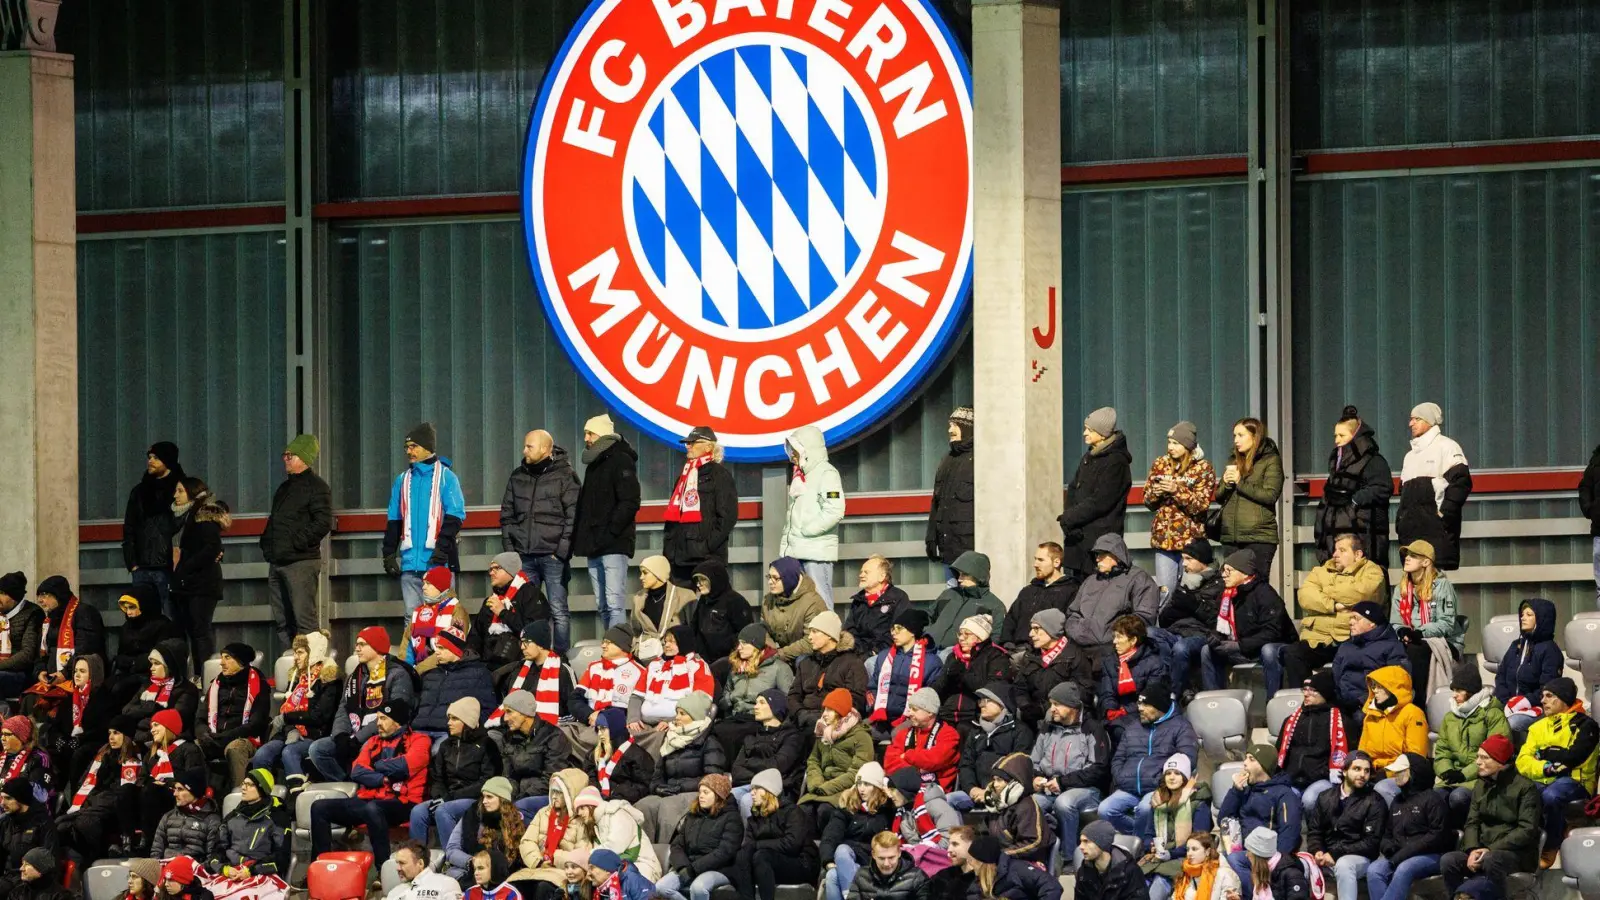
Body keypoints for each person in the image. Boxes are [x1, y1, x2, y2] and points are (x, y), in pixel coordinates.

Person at [310, 699, 432, 866]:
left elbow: (404, 766)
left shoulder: (420, 740)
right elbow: (357, 772)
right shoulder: (373, 742)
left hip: (403, 803)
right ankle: (318, 865)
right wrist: (383, 778)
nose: (378, 724)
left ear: (397, 722)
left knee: (373, 808)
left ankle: (382, 870)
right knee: (319, 807)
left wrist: (377, 766)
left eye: (383, 719)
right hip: (370, 799)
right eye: (378, 719)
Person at [499, 429, 580, 654]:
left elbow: (574, 516)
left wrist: (561, 552)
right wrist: (511, 553)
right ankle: (530, 656)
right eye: (525, 446)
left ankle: (560, 660)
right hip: (524, 556)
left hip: (553, 557)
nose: (524, 450)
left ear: (545, 449)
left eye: (529, 446)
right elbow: (506, 515)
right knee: (526, 610)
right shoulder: (517, 476)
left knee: (558, 610)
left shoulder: (566, 475)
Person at [309, 626, 416, 780]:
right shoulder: (355, 676)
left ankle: (362, 784)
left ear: (377, 647)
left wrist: (357, 739)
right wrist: (341, 735)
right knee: (317, 749)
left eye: (362, 644)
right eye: (356, 644)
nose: (357, 649)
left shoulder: (397, 675)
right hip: (353, 733)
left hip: (383, 734)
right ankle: (345, 784)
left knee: (367, 748)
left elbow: (394, 716)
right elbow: (343, 709)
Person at [1282, 532, 1386, 690]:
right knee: (1293, 653)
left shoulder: (1373, 571)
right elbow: (1305, 596)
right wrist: (1334, 605)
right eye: (1335, 550)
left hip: (1352, 638)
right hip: (1319, 638)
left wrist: (1325, 591)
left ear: (1358, 554)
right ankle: (1303, 703)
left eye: (1342, 550)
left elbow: (1360, 593)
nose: (1335, 554)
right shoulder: (1320, 571)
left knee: (1354, 658)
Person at [383, 423, 467, 616]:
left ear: (427, 447)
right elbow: (394, 520)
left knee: (442, 617)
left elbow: (456, 516)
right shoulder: (402, 480)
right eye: (407, 447)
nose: (408, 451)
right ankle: (414, 648)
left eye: (414, 446)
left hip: (438, 564)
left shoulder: (447, 477)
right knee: (412, 619)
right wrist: (388, 554)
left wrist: (441, 550)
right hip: (410, 564)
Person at [1440, 735, 1541, 893]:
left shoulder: (1525, 787)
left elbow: (1526, 830)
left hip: (1516, 854)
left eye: (1484, 757)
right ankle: (1459, 896)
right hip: (1483, 851)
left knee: (1491, 860)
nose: (1477, 762)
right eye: (1478, 757)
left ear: (1500, 761)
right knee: (1449, 860)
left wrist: (1491, 849)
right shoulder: (1480, 785)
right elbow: (1472, 822)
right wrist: (1472, 849)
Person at [1514, 677, 1598, 867]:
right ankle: (1525, 846)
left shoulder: (1585, 725)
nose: (1543, 700)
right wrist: (1545, 767)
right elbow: (1523, 761)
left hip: (1576, 780)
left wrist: (1544, 753)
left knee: (1552, 795)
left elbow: (1575, 756)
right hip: (1544, 777)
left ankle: (1551, 845)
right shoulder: (1537, 727)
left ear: (1564, 698)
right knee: (1520, 794)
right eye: (1543, 696)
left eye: (1549, 696)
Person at [260, 434, 332, 648]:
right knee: (283, 622)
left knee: (305, 623)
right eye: (285, 455)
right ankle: (291, 667)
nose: (285, 459)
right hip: (278, 561)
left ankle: (310, 673)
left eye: (290, 455)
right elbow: (276, 520)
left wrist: (297, 543)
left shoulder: (317, 487)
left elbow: (323, 522)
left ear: (304, 457)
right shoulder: (284, 488)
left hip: (300, 562)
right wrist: (267, 544)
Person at [1101, 679, 1198, 838]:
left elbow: (1187, 759)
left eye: (1145, 705)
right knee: (1105, 809)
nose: (1140, 709)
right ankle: (1139, 837)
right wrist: (1120, 777)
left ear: (1159, 707)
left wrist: (1164, 785)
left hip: (1157, 787)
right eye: (1139, 704)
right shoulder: (1133, 727)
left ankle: (1140, 847)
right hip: (1129, 786)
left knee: (1144, 809)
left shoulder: (1181, 727)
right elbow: (1118, 758)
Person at [1030, 682, 1110, 873]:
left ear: (1072, 707)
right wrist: (1037, 778)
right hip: (1049, 788)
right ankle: (1037, 856)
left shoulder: (1092, 728)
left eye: (1057, 704)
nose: (1052, 709)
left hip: (1085, 789)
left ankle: (1068, 858)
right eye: (1051, 704)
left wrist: (1063, 782)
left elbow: (1098, 769)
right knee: (1031, 803)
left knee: (1064, 803)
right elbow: (1033, 761)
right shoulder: (1047, 727)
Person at [572, 414, 642, 630]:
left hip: (612, 543)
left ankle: (618, 649)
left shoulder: (620, 459)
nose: (586, 438)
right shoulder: (595, 463)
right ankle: (611, 647)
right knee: (603, 604)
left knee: (613, 603)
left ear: (602, 434)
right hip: (596, 544)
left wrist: (611, 532)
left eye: (590, 433)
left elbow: (630, 501)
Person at [634, 692, 726, 843]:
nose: (676, 717)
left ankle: (663, 853)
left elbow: (712, 780)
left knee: (668, 807)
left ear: (695, 716)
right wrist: (658, 789)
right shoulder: (670, 740)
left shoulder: (710, 742)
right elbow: (656, 778)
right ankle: (642, 852)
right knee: (645, 805)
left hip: (694, 794)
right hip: (669, 794)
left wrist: (679, 788)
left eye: (682, 713)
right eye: (677, 713)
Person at [1199, 551, 1295, 696]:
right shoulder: (1226, 594)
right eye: (1223, 570)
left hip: (1273, 647)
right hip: (1243, 648)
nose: (1223, 575)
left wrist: (1239, 645)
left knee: (1268, 651)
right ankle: (1214, 700)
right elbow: (1217, 622)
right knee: (1207, 650)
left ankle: (1273, 700)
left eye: (1228, 571)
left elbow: (1273, 632)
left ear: (1244, 573)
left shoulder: (1265, 593)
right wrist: (1215, 635)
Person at [252, 637, 339, 794]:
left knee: (289, 752)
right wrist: (291, 728)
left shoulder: (330, 681)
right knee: (262, 754)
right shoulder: (297, 679)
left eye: (300, 652)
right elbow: (285, 712)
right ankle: (263, 799)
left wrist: (289, 720)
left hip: (315, 735)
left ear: (313, 654)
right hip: (289, 733)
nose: (295, 657)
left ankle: (297, 800)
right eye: (294, 653)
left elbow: (319, 717)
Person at [411, 696, 499, 846]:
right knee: (418, 812)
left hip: (476, 799)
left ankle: (452, 859)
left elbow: (486, 782)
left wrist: (449, 798)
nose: (448, 723)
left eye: (454, 719)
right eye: (449, 718)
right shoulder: (445, 746)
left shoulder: (487, 745)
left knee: (443, 810)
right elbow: (437, 778)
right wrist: (439, 796)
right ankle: (416, 858)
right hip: (448, 798)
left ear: (467, 722)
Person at [1064, 534, 1161, 673]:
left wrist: (1113, 635)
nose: (1097, 559)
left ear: (1117, 555)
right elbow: (1072, 613)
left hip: (1113, 647)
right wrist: (1078, 633)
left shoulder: (1139, 579)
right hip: (1080, 646)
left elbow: (1144, 617)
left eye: (1102, 554)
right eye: (1096, 555)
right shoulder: (1090, 580)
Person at [1144, 421, 1219, 597]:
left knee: (1190, 591)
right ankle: (1164, 625)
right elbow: (1148, 501)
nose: (1171, 447)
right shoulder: (1160, 464)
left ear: (1188, 445)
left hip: (1190, 541)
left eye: (1176, 443)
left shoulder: (1203, 468)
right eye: (1169, 442)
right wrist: (1156, 493)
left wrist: (1176, 489)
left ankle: (1188, 625)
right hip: (1165, 541)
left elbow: (1201, 505)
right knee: (1165, 593)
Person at [1058, 406, 1133, 577]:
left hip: (1099, 541)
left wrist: (1071, 517)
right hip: (1078, 538)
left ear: (1103, 433)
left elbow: (1101, 501)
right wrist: (1070, 519)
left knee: (1096, 588)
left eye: (1090, 430)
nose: (1085, 433)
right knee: (1076, 590)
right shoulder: (1089, 456)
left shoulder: (1116, 462)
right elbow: (1073, 488)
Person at [1397, 402, 1473, 571]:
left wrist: (1444, 514)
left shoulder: (1447, 447)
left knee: (1436, 589)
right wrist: (1400, 521)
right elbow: (1404, 493)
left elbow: (1461, 483)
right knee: (1413, 589)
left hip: (1437, 535)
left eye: (1416, 419)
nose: (1411, 424)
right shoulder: (1409, 456)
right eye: (1411, 419)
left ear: (1429, 421)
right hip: (1411, 537)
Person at [1367, 753, 1453, 900]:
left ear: (1414, 773)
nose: (1395, 775)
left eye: (1400, 772)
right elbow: (1388, 832)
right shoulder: (1397, 801)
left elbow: (1437, 836)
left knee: (1404, 868)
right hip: (1401, 855)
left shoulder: (1432, 799)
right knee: (1374, 870)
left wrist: (1404, 853)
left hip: (1431, 856)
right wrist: (1387, 846)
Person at [58, 715, 144, 862]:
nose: (111, 737)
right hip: (96, 801)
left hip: (114, 803)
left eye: (116, 733)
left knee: (83, 822)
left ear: (127, 735)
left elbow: (128, 790)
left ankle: (93, 857)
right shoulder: (103, 753)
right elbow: (83, 782)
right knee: (61, 825)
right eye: (110, 733)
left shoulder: (135, 756)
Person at [1314, 407, 1393, 566]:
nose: (1336, 440)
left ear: (1356, 436)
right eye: (1335, 435)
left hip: (1361, 539)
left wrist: (1354, 502)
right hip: (1337, 539)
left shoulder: (1373, 460)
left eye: (1342, 435)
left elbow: (1383, 488)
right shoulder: (1338, 464)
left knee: (1363, 584)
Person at [778, 424, 846, 607]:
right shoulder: (801, 476)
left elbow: (835, 510)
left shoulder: (827, 473)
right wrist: (786, 548)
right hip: (797, 553)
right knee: (799, 605)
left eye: (795, 449)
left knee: (820, 603)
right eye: (790, 450)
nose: (792, 455)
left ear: (807, 449)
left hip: (816, 554)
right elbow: (793, 517)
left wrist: (806, 531)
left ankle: (828, 636)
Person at [1304, 752, 1386, 900]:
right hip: (1327, 855)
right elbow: (1315, 831)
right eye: (1357, 769)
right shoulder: (1325, 797)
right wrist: (1317, 851)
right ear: (1345, 770)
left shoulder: (1375, 801)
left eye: (1366, 771)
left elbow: (1371, 843)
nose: (1362, 774)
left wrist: (1335, 853)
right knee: (1300, 863)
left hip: (1359, 858)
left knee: (1344, 864)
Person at [1218, 745, 1302, 890]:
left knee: (1233, 859)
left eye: (1251, 759)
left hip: (1269, 856)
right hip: (1247, 853)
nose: (1244, 763)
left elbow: (1289, 833)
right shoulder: (1244, 791)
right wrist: (1235, 791)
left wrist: (1275, 862)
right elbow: (1224, 821)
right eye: (1245, 758)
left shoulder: (1284, 793)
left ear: (1264, 766)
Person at [662, 426, 738, 583]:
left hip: (707, 559)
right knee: (680, 606)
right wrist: (669, 548)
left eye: (692, 442)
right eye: (687, 443)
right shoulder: (683, 477)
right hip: (679, 560)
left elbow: (727, 517)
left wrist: (706, 546)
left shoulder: (720, 475)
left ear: (709, 446)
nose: (688, 446)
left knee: (708, 604)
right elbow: (673, 519)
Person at [169, 476, 231, 666]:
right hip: (188, 583)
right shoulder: (186, 515)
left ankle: (204, 674)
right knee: (190, 630)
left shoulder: (202, 513)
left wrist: (186, 566)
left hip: (201, 584)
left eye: (180, 491)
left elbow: (212, 546)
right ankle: (196, 673)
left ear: (192, 492)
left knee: (200, 631)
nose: (175, 495)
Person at [1392, 539, 1466, 698]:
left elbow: (1446, 624)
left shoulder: (1443, 586)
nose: (1407, 558)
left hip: (1444, 640)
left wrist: (1419, 632)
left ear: (1426, 562)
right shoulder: (1401, 588)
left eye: (1413, 555)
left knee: (1416, 650)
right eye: (1406, 555)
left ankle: (1418, 702)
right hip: (1411, 639)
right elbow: (1395, 622)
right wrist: (1402, 630)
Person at [1436, 661, 1510, 817]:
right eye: (1453, 690)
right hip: (1453, 776)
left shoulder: (1493, 714)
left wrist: (1464, 774)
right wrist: (1446, 771)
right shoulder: (1450, 717)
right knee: (1434, 799)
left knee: (1458, 798)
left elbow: (1494, 756)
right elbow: (1442, 751)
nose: (1454, 695)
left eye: (1459, 690)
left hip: (1483, 777)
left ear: (1470, 691)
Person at [731, 769, 818, 900]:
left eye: (757, 789)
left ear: (769, 791)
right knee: (742, 856)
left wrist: (758, 845)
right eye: (751, 789)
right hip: (766, 865)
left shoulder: (792, 812)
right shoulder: (754, 817)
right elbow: (748, 845)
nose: (752, 793)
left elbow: (791, 845)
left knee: (761, 856)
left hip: (801, 863)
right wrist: (753, 848)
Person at [193, 641, 268, 790]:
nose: (221, 663)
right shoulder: (215, 684)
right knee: (191, 748)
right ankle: (200, 796)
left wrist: (226, 736)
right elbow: (200, 718)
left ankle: (239, 795)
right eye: (222, 657)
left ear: (240, 661)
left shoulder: (259, 684)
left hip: (243, 739)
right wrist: (204, 734)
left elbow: (256, 724)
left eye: (227, 658)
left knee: (234, 749)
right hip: (214, 737)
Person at [487, 621, 588, 730]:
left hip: (551, 733)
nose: (522, 647)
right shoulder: (518, 669)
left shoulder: (563, 671)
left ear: (541, 644)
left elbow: (573, 714)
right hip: (515, 731)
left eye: (526, 642)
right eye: (521, 642)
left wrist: (538, 721)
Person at [657, 774, 743, 900]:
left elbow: (725, 852)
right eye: (700, 792)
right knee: (661, 887)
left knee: (698, 887)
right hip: (690, 865)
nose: (701, 796)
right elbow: (677, 845)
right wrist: (682, 866)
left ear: (718, 795)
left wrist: (693, 869)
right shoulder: (692, 816)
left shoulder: (731, 817)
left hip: (721, 869)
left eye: (706, 792)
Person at [712, 624, 794, 755]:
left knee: (740, 735)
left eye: (744, 643)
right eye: (739, 643)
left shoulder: (778, 668)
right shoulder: (736, 668)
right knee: (716, 732)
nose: (739, 648)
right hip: (736, 717)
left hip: (759, 720)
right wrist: (732, 697)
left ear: (756, 645)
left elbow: (788, 700)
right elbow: (723, 701)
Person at [1215, 418, 1283, 575]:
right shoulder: (1234, 460)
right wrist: (1226, 483)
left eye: (1240, 435)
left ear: (1255, 436)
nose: (1236, 440)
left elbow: (1270, 495)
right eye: (1234, 436)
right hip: (1231, 537)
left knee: (1256, 586)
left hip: (1258, 537)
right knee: (1232, 588)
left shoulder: (1270, 460)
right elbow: (1218, 497)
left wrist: (1240, 482)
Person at [124, 442, 185, 615]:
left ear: (168, 460)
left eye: (156, 458)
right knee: (143, 617)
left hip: (169, 567)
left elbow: (193, 522)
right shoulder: (139, 492)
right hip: (142, 567)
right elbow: (129, 528)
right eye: (149, 457)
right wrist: (132, 563)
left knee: (171, 616)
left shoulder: (182, 489)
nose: (150, 461)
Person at [1156, 540, 1223, 699]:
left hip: (1201, 634)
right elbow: (1164, 619)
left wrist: (1194, 605)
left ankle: (1174, 694)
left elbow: (1216, 620)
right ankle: (1176, 685)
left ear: (1202, 560)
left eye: (1189, 559)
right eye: (1183, 559)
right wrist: (1174, 609)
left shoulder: (1219, 582)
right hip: (1176, 630)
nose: (1184, 564)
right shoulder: (1183, 580)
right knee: (1150, 634)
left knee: (1181, 648)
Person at [820, 763, 896, 900]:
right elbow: (830, 836)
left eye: (867, 784)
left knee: (841, 856)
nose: (862, 789)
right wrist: (828, 862)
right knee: (833, 872)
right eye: (859, 783)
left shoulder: (888, 809)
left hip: (874, 861)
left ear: (878, 787)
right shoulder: (847, 807)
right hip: (848, 860)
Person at [511, 768, 592, 892]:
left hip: (563, 872)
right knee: (515, 886)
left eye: (559, 793)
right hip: (537, 867)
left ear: (570, 795)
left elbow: (582, 855)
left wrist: (555, 858)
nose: (554, 797)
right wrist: (538, 862)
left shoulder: (580, 820)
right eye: (553, 792)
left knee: (543, 888)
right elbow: (527, 841)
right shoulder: (543, 813)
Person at [951, 687, 1033, 809]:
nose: (981, 705)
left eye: (987, 700)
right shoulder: (975, 731)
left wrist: (990, 792)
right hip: (976, 793)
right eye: (980, 701)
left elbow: (1017, 768)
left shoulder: (1020, 731)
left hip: (1006, 794)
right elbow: (966, 765)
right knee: (949, 800)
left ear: (1002, 704)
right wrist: (972, 789)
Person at [1277, 671, 1351, 807]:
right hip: (1292, 779)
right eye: (1304, 690)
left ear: (1325, 693)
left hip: (1323, 779)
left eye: (1312, 690)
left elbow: (1350, 756)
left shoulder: (1341, 721)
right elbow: (1279, 752)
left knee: (1309, 800)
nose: (1306, 694)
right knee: (1283, 799)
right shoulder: (1291, 720)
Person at [1141, 755, 1212, 895]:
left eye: (1177, 773)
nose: (1171, 777)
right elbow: (1148, 834)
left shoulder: (1198, 803)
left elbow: (1199, 842)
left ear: (1185, 777)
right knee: (1136, 880)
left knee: (1160, 880)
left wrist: (1170, 854)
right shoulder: (1157, 802)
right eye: (1168, 773)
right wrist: (1152, 846)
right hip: (1158, 858)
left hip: (1185, 857)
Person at [1357, 666, 1429, 805]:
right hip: (1373, 773)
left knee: (1381, 788)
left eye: (1379, 686)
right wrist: (1362, 771)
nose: (1375, 690)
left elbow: (1415, 758)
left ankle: (1394, 824)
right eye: (1373, 686)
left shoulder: (1412, 713)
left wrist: (1386, 773)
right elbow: (1362, 752)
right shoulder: (1371, 715)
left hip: (1402, 775)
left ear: (1393, 688)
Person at [965, 753, 1053, 865]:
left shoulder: (1026, 806)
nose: (995, 785)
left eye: (1000, 780)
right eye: (994, 779)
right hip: (1001, 860)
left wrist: (1002, 855)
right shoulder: (995, 805)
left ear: (1013, 782)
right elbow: (985, 832)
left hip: (1026, 861)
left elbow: (1033, 842)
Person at [136, 708, 204, 855]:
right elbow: (141, 778)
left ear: (169, 726)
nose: (152, 730)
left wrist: (167, 783)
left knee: (152, 790)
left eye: (156, 725)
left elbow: (193, 780)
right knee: (127, 791)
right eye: (151, 726)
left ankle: (149, 842)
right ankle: (127, 841)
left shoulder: (189, 749)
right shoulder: (152, 754)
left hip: (175, 796)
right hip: (151, 796)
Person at [629, 625, 715, 741]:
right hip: (644, 723)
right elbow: (637, 696)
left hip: (676, 723)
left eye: (672, 642)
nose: (666, 645)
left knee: (658, 737)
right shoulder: (654, 664)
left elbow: (702, 701)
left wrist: (672, 721)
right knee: (623, 733)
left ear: (684, 642)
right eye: (665, 642)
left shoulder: (697, 665)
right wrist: (633, 718)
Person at [1493, 599, 1563, 739]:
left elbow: (1548, 689)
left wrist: (1525, 701)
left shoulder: (1550, 650)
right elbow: (1501, 676)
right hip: (1509, 704)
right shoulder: (1516, 645)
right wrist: (1507, 702)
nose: (1522, 618)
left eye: (1529, 614)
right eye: (1522, 614)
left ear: (1542, 618)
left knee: (1513, 722)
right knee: (1484, 715)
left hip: (1537, 706)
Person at [929, 614, 1012, 732]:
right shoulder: (953, 656)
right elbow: (939, 686)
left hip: (975, 717)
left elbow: (992, 691)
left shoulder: (996, 656)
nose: (961, 638)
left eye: (967, 634)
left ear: (980, 637)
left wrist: (963, 674)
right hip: (947, 714)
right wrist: (945, 680)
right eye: (960, 634)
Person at [411, 632, 499, 743]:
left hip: (449, 734)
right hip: (418, 732)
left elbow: (487, 710)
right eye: (436, 647)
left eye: (441, 648)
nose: (436, 652)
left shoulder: (478, 674)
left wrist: (467, 732)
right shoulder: (429, 675)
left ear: (455, 650)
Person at [789, 611, 868, 734]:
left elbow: (855, 700)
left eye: (815, 632)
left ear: (830, 635)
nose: (809, 637)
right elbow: (793, 695)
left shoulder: (852, 663)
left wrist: (826, 716)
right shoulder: (806, 663)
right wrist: (800, 713)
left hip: (833, 723)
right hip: (802, 719)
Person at [729, 690, 805, 815]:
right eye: (756, 703)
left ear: (775, 707)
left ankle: (750, 835)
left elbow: (777, 767)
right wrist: (757, 775)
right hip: (749, 786)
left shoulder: (792, 736)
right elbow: (736, 770)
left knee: (747, 801)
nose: (756, 707)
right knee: (726, 799)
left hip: (778, 790)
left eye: (762, 703)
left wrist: (749, 763)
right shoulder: (752, 736)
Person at [868, 610, 943, 737]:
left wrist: (914, 715)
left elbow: (931, 697)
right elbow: (873, 686)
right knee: (860, 732)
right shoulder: (884, 656)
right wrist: (875, 707)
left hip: (912, 718)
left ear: (913, 631)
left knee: (898, 734)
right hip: (882, 716)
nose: (893, 632)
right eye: (892, 628)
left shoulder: (931, 661)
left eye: (899, 628)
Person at [1332, 602, 1410, 719]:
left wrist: (1363, 701)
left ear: (1372, 623)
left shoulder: (1392, 647)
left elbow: (1398, 681)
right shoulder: (1345, 647)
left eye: (1356, 618)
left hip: (1372, 706)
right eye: (1350, 618)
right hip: (1344, 705)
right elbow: (1336, 677)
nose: (1350, 622)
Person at [210, 768, 290, 880]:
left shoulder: (278, 818)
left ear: (262, 789)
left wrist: (251, 871)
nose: (243, 788)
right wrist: (224, 869)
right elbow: (217, 850)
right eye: (243, 783)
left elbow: (281, 859)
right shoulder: (233, 816)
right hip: (230, 873)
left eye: (250, 784)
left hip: (261, 875)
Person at [799, 689, 875, 806]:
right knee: (802, 810)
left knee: (824, 810)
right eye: (824, 709)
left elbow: (858, 772)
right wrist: (816, 783)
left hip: (847, 791)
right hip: (820, 787)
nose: (824, 714)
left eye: (829, 710)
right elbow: (813, 761)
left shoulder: (861, 736)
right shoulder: (823, 733)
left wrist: (827, 788)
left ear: (840, 712)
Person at [444, 778, 527, 884]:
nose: (484, 801)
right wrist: (473, 862)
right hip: (469, 872)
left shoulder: (515, 821)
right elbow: (452, 849)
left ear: (502, 799)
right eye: (483, 796)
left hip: (505, 875)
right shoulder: (472, 815)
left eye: (489, 797)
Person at [501, 690, 574, 810]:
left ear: (524, 713)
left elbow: (552, 777)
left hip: (547, 794)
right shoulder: (508, 738)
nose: (505, 718)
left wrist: (520, 799)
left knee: (520, 807)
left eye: (509, 712)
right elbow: (509, 776)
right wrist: (508, 799)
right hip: (520, 796)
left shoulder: (553, 735)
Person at [999, 543, 1079, 653]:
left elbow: (1069, 627)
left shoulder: (1071, 591)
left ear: (1056, 562)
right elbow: (1010, 619)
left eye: (1041, 560)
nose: (1035, 564)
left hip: (1048, 656)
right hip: (1016, 653)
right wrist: (1006, 644)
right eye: (1035, 559)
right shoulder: (1028, 591)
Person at [572, 784, 663, 880]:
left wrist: (589, 854)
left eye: (582, 808)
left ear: (592, 806)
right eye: (577, 810)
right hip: (623, 867)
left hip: (644, 866)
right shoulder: (595, 825)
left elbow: (615, 846)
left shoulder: (617, 814)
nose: (579, 813)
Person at [108, 585, 177, 709]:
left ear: (144, 606)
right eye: (126, 608)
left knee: (120, 690)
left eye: (133, 607)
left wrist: (134, 662)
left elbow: (161, 657)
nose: (129, 612)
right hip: (127, 674)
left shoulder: (164, 626)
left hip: (152, 676)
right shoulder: (126, 627)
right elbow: (120, 656)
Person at [469, 553, 539, 673]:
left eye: (497, 568)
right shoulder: (491, 600)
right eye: (490, 569)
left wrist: (502, 612)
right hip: (487, 666)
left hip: (519, 666)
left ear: (510, 571)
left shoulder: (530, 594)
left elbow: (534, 633)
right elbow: (476, 636)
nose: (491, 573)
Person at [925, 408, 975, 575]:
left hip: (972, 554)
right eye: (950, 425)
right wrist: (931, 537)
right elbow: (936, 504)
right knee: (952, 595)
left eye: (955, 425)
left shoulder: (982, 457)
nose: (950, 430)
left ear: (968, 427)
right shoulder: (946, 459)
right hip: (948, 551)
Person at [32, 575, 105, 684]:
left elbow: (85, 649)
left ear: (58, 595)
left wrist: (65, 673)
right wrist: (40, 670)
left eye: (44, 595)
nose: (40, 600)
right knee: (28, 698)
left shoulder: (85, 612)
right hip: (51, 678)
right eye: (39, 596)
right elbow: (41, 652)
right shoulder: (49, 619)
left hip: (76, 678)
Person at [883, 688, 959, 792]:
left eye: (914, 709)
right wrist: (918, 769)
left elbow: (934, 760)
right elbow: (889, 763)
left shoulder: (948, 734)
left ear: (930, 712)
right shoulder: (903, 733)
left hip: (933, 791)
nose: (910, 713)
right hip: (903, 787)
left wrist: (907, 755)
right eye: (910, 709)